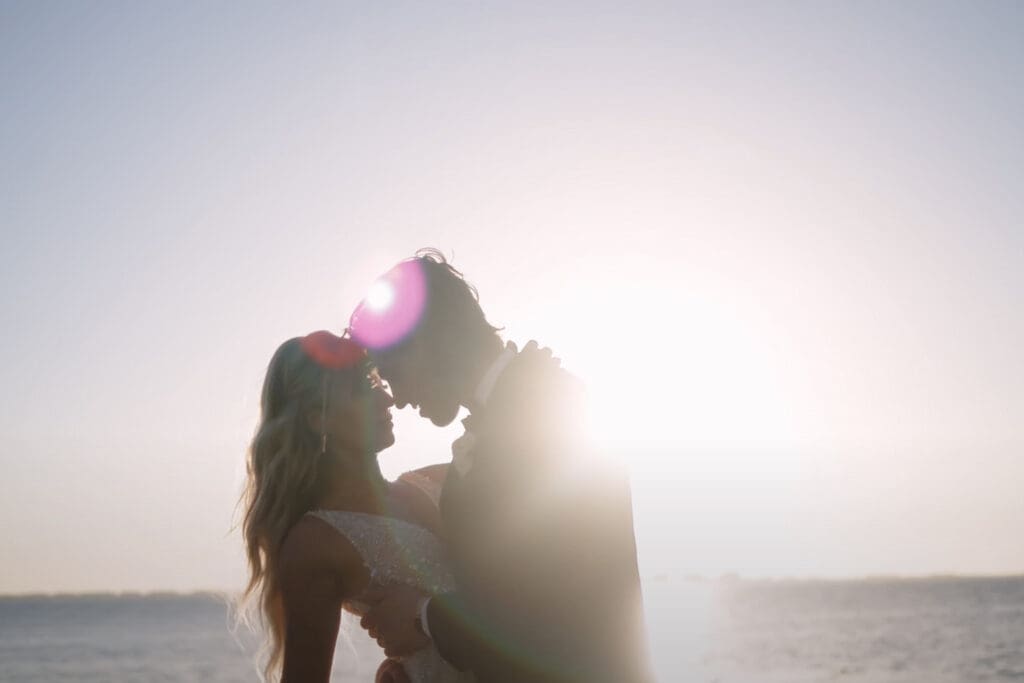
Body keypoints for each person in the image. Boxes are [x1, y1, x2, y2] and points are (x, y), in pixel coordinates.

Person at [350, 250, 652, 683]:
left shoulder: (550, 408)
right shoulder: (518, 409)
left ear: (429, 342)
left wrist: (421, 617)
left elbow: (552, 612)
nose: (395, 396)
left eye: (392, 370)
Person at [238, 330, 473, 683]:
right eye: (362, 389)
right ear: (319, 419)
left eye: (376, 380)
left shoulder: (437, 480)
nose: (386, 399)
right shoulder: (313, 544)